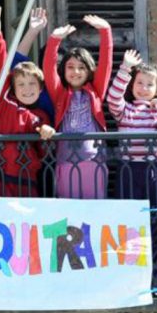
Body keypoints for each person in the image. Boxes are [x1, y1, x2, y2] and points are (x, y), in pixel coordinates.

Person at [107, 49, 157, 287]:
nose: (143, 88)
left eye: (149, 84)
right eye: (139, 83)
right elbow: (112, 99)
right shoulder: (125, 110)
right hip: (128, 171)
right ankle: (129, 279)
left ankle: (155, 281)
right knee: (129, 224)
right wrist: (126, 67)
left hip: (154, 172)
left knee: (156, 223)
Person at [0, 5, 55, 197]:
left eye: (32, 84)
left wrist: (46, 130)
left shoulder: (41, 113)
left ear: (41, 89)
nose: (27, 89)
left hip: (27, 181)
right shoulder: (3, 101)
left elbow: (39, 128)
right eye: (20, 84)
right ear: (12, 88)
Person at [44, 14, 113, 199]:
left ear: (89, 71)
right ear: (63, 70)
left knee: (95, 209)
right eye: (70, 67)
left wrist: (105, 31)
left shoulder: (96, 91)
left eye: (82, 67)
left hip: (94, 160)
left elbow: (106, 65)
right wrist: (54, 40)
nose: (76, 72)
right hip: (65, 160)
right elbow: (48, 70)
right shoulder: (59, 93)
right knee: (68, 212)